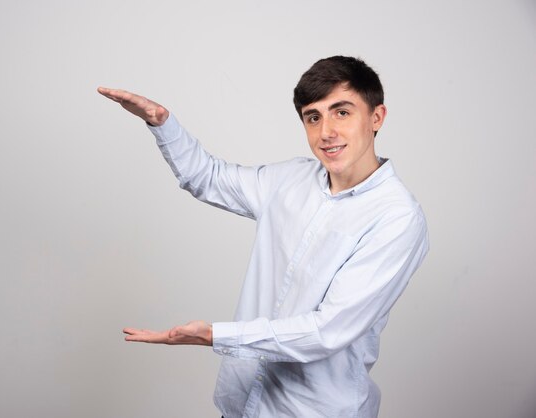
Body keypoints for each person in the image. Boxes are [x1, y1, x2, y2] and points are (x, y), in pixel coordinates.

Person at [98, 55, 429, 418]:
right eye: (313, 117)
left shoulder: (397, 217)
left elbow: (326, 331)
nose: (326, 132)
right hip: (241, 407)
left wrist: (214, 335)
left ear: (376, 117)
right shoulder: (289, 179)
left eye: (342, 112)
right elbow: (207, 177)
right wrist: (160, 122)